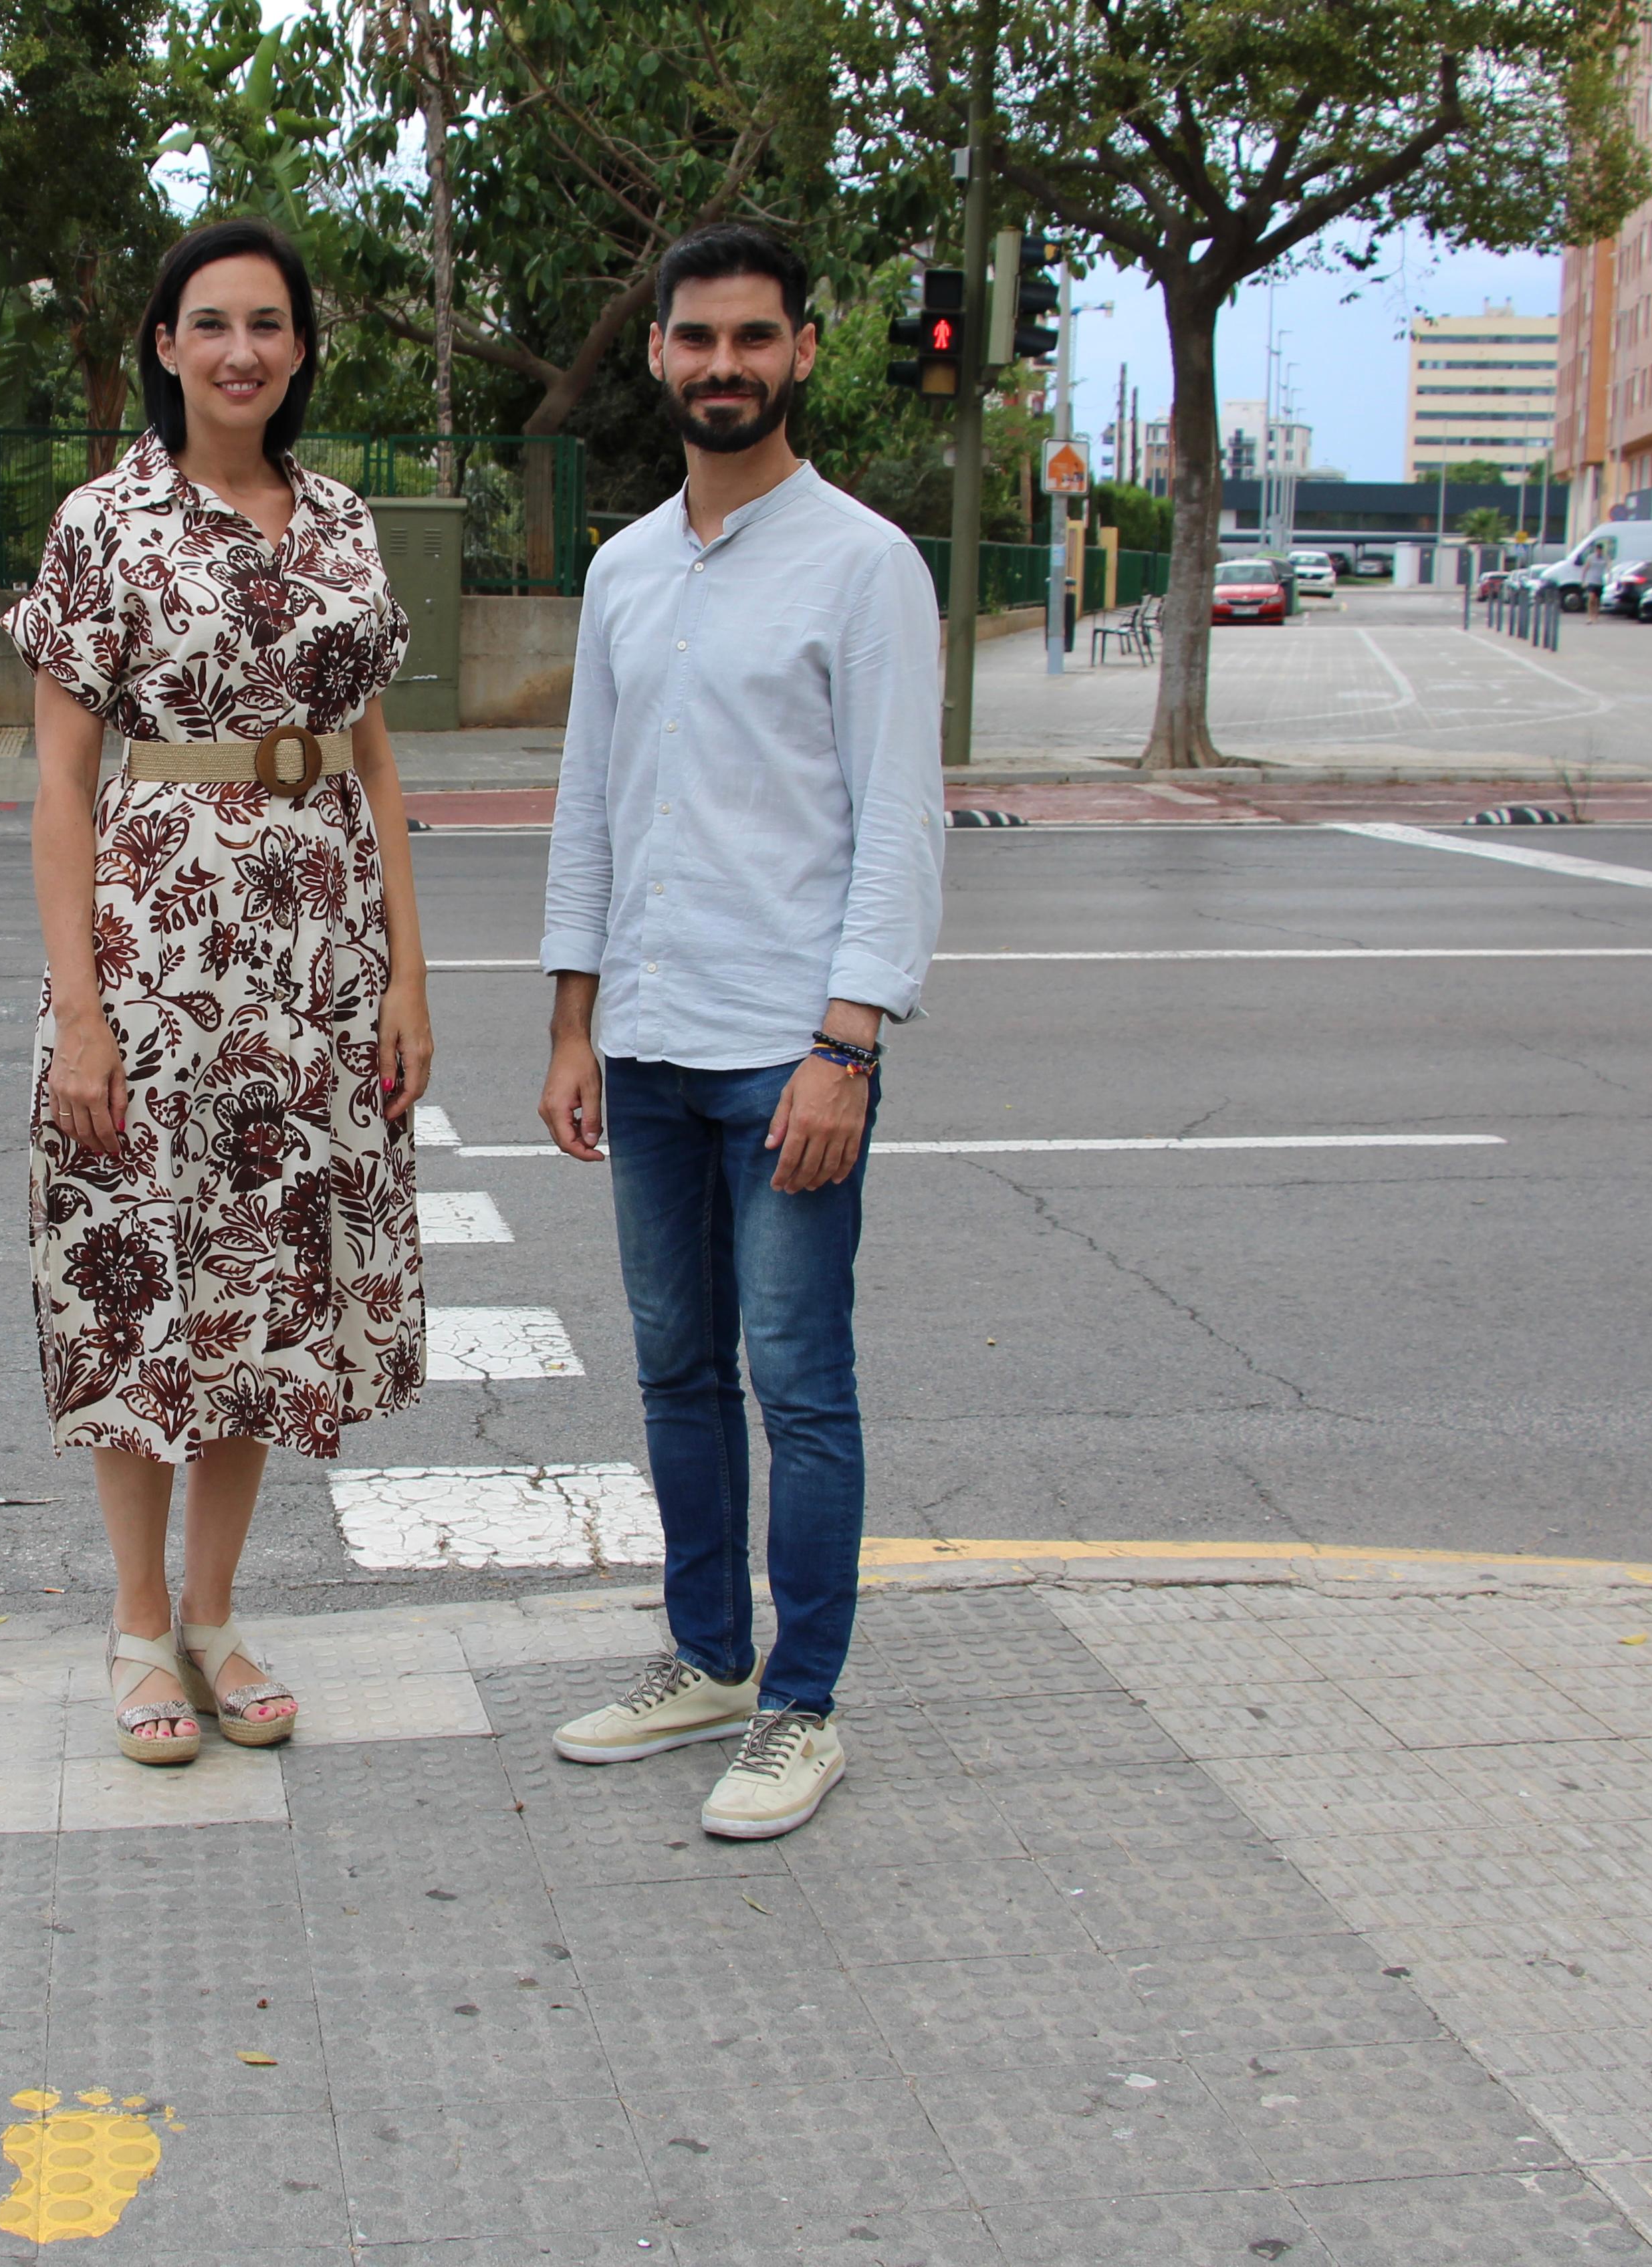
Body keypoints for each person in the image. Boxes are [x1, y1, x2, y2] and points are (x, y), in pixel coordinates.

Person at [5, 217, 434, 1766]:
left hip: (316, 959)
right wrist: (80, 1008)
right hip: (154, 948)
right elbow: (61, 784)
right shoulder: (100, 523)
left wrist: (404, 971)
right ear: (165, 347)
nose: (239, 349)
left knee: (262, 1284)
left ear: (301, 347)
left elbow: (375, 759)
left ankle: (212, 1614)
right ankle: (132, 1627)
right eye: (209, 324)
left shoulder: (342, 523)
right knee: (134, 1276)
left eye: (267, 323)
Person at [536, 221, 944, 1838]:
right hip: (640, 1045)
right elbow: (587, 808)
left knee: (798, 1379)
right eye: (695, 340)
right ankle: (704, 1660)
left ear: (801, 353)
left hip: (787, 1057)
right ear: (656, 355)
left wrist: (844, 1044)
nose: (723, 367)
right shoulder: (624, 568)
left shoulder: (864, 564)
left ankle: (798, 1706)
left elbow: (896, 825)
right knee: (674, 1371)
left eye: (752, 340)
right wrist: (570, 1022)